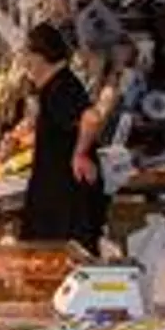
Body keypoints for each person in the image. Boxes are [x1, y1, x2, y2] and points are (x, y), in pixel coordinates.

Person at [19, 22, 103, 249]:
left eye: (27, 54)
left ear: (41, 56)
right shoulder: (54, 86)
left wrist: (80, 154)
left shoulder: (61, 87)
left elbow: (92, 118)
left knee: (62, 256)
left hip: (66, 200)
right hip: (56, 196)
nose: (25, 61)